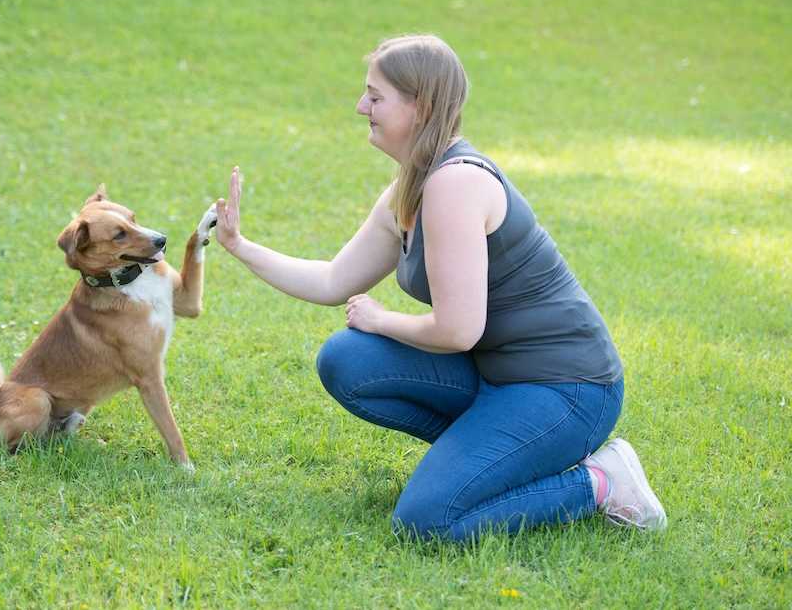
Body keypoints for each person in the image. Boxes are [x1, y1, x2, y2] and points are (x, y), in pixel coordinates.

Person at [213, 34, 666, 543]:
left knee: (426, 521)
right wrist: (239, 245)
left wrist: (381, 319)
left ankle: (598, 482)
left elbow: (457, 330)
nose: (361, 106)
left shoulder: (455, 185)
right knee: (348, 359)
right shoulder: (409, 187)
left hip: (568, 389)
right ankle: (496, 459)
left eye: (375, 96)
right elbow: (333, 280)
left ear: (420, 106)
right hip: (497, 376)